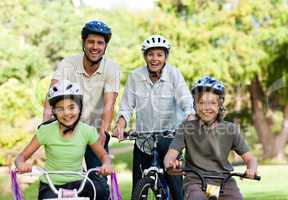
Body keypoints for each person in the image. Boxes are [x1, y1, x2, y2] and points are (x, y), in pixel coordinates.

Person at [113, 35, 195, 199]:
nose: (155, 58)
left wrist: (190, 117)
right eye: (151, 54)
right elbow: (127, 106)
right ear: (145, 56)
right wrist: (120, 125)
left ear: (166, 56)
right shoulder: (135, 76)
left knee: (176, 189)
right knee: (138, 188)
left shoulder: (174, 74)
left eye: (159, 54)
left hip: (170, 138)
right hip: (143, 139)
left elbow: (185, 99)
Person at [42, 20, 120, 171]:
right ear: (83, 43)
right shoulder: (68, 63)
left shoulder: (111, 68)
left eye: (100, 43)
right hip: (67, 127)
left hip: (94, 130)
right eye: (91, 42)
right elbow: (51, 95)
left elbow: (109, 104)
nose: (95, 47)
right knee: (65, 180)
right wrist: (44, 124)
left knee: (99, 183)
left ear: (105, 47)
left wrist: (103, 133)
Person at [164, 76, 258, 200]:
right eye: (201, 102)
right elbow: (170, 156)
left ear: (220, 105)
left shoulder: (230, 129)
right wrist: (170, 165)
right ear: (195, 105)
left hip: (225, 182)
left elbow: (250, 158)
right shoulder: (186, 128)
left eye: (212, 103)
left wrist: (252, 169)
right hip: (195, 182)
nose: (206, 108)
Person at [16, 80, 113, 200]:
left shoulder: (87, 131)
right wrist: (21, 164)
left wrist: (106, 164)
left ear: (79, 108)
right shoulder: (46, 131)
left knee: (102, 192)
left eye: (71, 107)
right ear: (54, 111)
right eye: (60, 109)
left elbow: (104, 155)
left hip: (78, 182)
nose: (66, 113)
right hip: (51, 184)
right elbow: (21, 157)